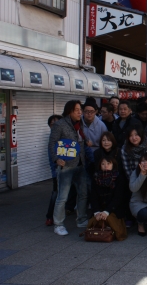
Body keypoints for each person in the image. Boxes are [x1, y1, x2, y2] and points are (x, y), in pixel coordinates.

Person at [48, 100, 88, 236]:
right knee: (62, 196)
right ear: (69, 110)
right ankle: (58, 224)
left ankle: (81, 219)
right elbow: (52, 143)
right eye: (77, 109)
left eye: (80, 109)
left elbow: (80, 140)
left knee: (83, 193)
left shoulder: (80, 123)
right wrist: (56, 159)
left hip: (80, 163)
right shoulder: (60, 124)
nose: (80, 112)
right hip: (66, 165)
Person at [88, 156, 128, 241]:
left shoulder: (118, 177)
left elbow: (118, 197)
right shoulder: (96, 178)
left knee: (109, 220)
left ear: (113, 165)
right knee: (96, 220)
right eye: (103, 164)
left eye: (108, 163)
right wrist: (97, 212)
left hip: (114, 210)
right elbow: (93, 197)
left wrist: (107, 211)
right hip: (100, 209)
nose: (106, 166)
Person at [45, 114, 63, 226]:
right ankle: (49, 216)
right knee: (56, 193)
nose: (55, 126)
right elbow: (52, 158)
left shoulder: (67, 136)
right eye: (52, 124)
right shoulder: (52, 140)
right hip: (57, 170)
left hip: (72, 168)